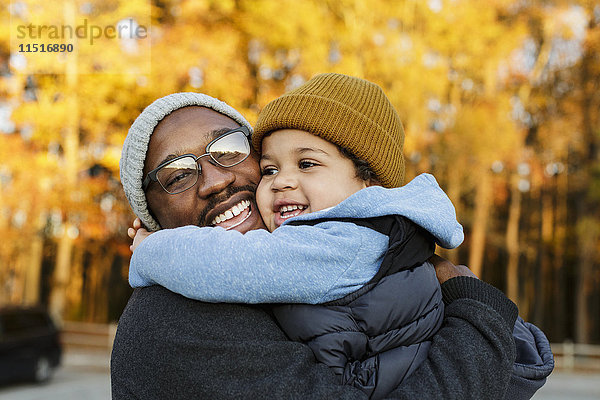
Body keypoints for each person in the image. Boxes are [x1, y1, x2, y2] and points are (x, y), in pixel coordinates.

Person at [112, 86, 553, 399]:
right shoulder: (171, 322)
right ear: (150, 214)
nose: (217, 179)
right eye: (178, 175)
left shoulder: (335, 249)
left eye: (228, 150)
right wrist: (478, 311)